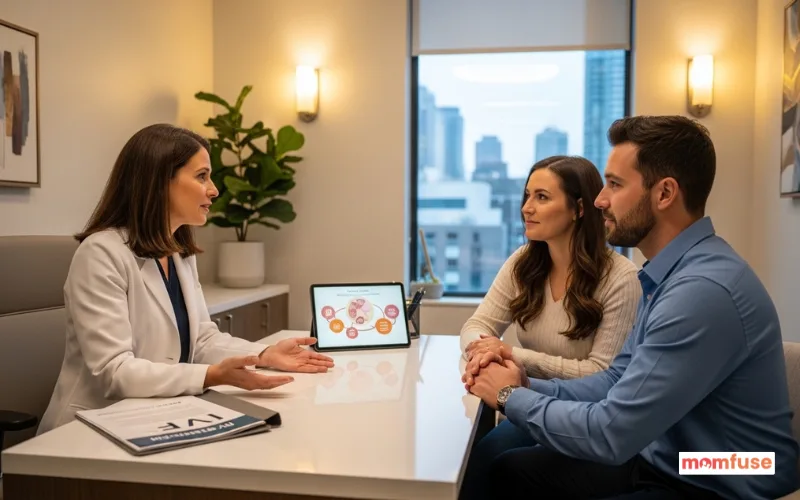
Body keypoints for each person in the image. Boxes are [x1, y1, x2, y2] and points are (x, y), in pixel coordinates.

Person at [461, 115, 800, 500]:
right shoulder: (667, 274)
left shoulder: (701, 291)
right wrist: (526, 383)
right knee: (507, 471)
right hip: (671, 456)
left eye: (615, 185)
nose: (600, 200)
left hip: (724, 472)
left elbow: (612, 433)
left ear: (665, 194)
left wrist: (510, 397)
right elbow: (616, 381)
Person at [38, 124, 334, 434]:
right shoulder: (101, 254)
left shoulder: (178, 252)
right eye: (202, 176)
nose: (214, 189)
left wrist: (262, 355)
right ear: (159, 181)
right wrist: (210, 376)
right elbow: (114, 371)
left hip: (160, 413)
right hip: (92, 427)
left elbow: (203, 340)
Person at [460, 156, 641, 383]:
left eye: (542, 197)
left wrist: (511, 354)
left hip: (580, 413)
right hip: (523, 402)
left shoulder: (622, 278)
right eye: (527, 195)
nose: (527, 208)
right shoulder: (523, 261)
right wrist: (483, 351)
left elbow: (602, 373)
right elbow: (477, 325)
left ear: (579, 208)